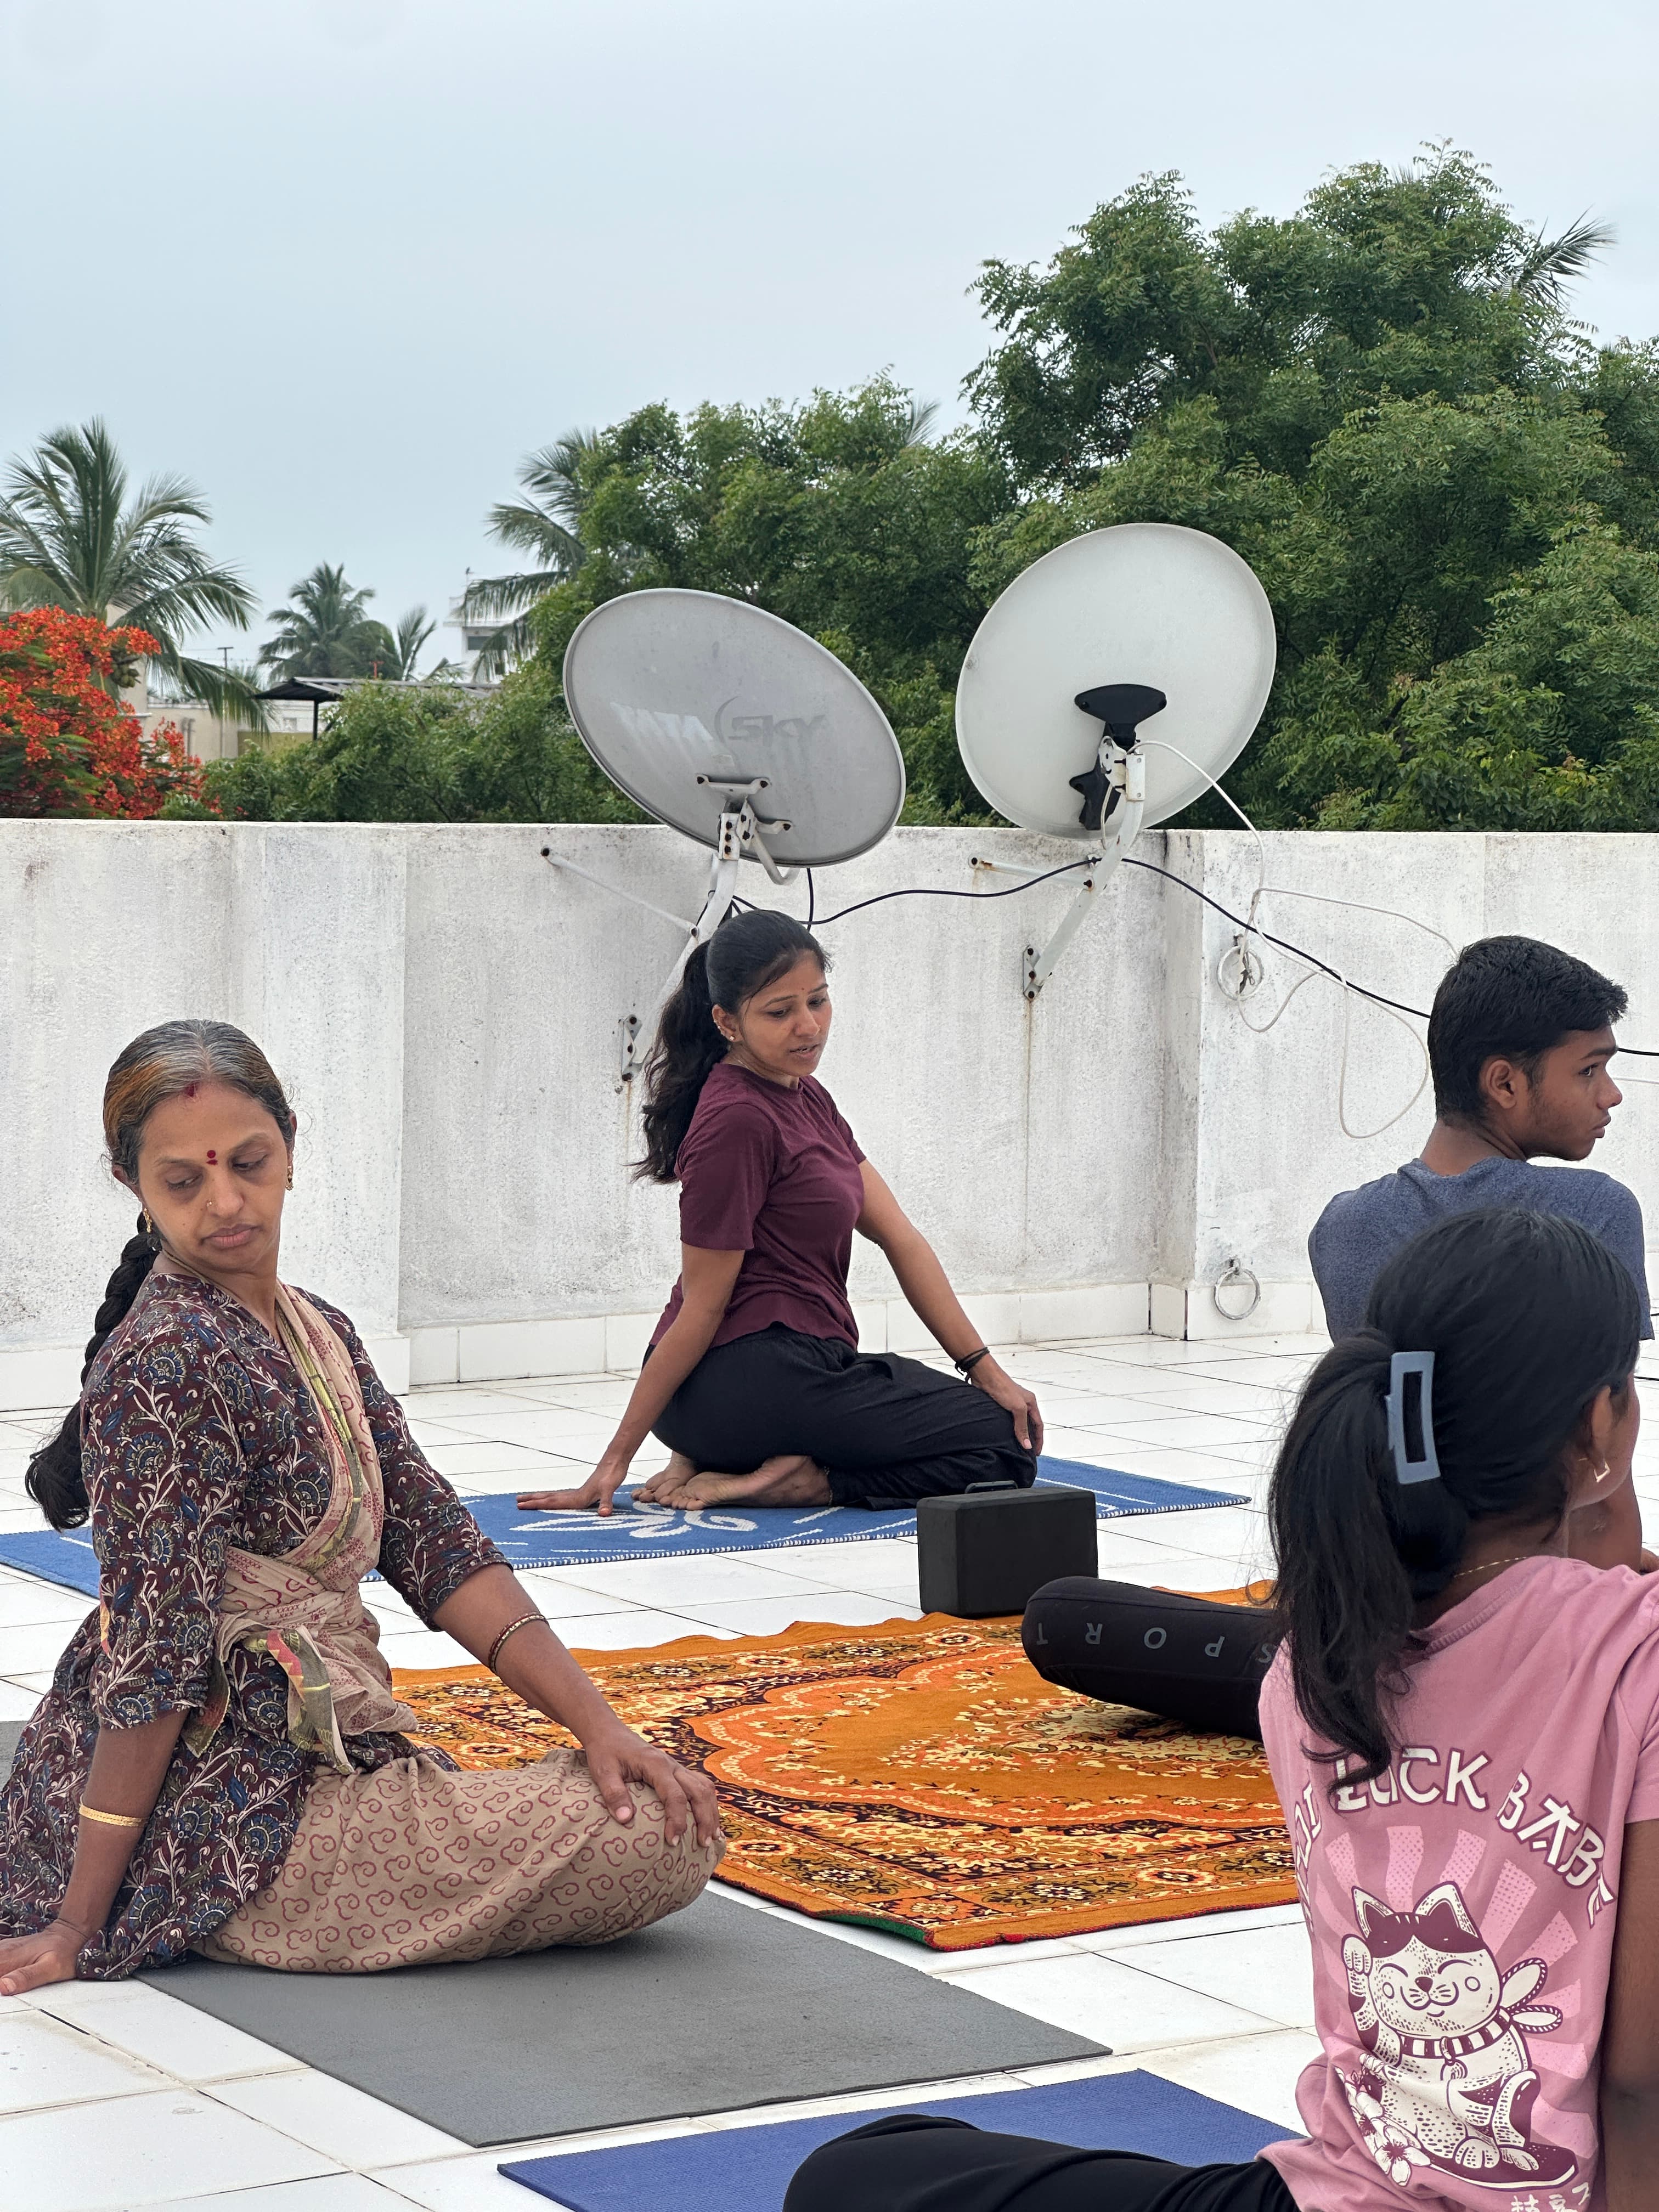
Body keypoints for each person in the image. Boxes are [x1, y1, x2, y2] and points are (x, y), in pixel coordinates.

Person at [787, 1209, 1659, 2211]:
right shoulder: (1632, 1650)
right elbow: (1637, 2076)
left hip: (1330, 2198)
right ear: (1599, 1427)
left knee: (863, 2172)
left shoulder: (1311, 1659)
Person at [0, 1020, 720, 1991]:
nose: (225, 1202)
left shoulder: (316, 1325)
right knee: (655, 1838)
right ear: (134, 1185)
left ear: (291, 1146)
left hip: (303, 1759)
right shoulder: (163, 1361)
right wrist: (77, 1926)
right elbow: (155, 1656)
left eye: (249, 1163)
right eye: (183, 1182)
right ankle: (191, 1905)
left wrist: (600, 1728)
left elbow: (436, 1542)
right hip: (212, 1813)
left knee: (653, 1795)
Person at [520, 909, 1041, 1516]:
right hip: (746, 1380)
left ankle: (728, 1460)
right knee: (1004, 1448)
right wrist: (613, 1464)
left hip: (776, 1377)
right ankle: (806, 1484)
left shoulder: (808, 1098)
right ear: (727, 1022)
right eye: (779, 1011)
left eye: (817, 1002)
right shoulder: (736, 1120)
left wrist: (985, 1370)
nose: (807, 1027)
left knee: (1003, 1415)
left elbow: (902, 1239)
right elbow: (702, 1303)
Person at [1311, 934, 1651, 1339]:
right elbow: (1611, 1402)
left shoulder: (1343, 1226)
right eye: (1589, 1071)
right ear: (1505, 1084)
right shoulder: (1596, 1211)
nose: (1612, 1095)